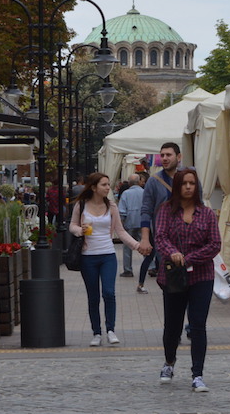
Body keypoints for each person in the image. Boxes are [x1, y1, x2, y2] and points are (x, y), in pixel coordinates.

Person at [154, 169, 221, 392]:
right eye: (184, 183)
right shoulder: (166, 210)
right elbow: (160, 237)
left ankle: (198, 374)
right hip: (173, 275)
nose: (189, 187)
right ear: (178, 186)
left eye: (192, 183)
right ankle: (169, 361)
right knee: (172, 325)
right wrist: (173, 252)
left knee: (198, 324)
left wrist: (189, 258)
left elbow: (214, 244)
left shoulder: (207, 214)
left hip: (201, 275)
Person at [69, 172, 149, 346]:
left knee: (109, 292)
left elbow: (120, 231)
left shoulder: (112, 206)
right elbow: (72, 225)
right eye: (104, 185)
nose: (108, 188)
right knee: (93, 296)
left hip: (107, 255)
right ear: (93, 187)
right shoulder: (81, 205)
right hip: (87, 257)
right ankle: (96, 332)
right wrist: (79, 231)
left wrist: (137, 246)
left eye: (108, 185)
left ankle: (111, 330)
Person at [139, 142, 182, 289]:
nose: (164, 158)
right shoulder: (153, 181)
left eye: (168, 155)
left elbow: (199, 205)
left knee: (190, 277)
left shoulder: (188, 178)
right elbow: (146, 210)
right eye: (162, 155)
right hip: (163, 237)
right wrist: (145, 239)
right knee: (170, 280)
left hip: (187, 235)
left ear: (179, 157)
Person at [117, 173, 145, 280]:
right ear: (139, 182)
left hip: (130, 222)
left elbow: (122, 210)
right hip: (143, 222)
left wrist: (122, 223)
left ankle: (128, 269)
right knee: (145, 244)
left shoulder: (126, 194)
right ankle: (151, 266)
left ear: (129, 183)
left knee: (127, 246)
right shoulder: (144, 192)